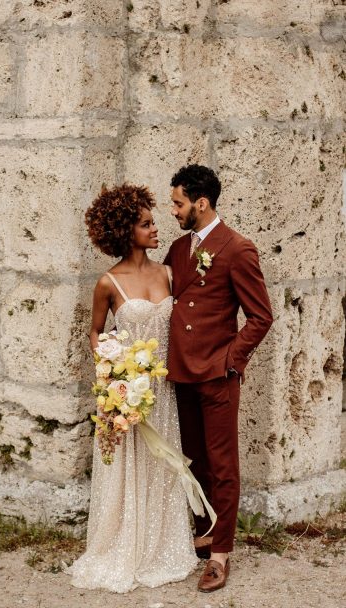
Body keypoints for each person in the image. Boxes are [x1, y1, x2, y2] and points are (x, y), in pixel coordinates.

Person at [67, 183, 198, 593]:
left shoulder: (169, 273)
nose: (154, 229)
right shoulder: (108, 283)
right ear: (126, 232)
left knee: (161, 466)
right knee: (128, 468)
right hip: (128, 395)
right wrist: (114, 375)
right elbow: (94, 333)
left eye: (153, 221)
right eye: (145, 225)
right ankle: (125, 545)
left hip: (163, 391)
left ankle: (161, 544)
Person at [164, 164, 273, 592]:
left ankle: (220, 555)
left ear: (201, 202)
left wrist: (232, 360)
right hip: (182, 374)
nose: (173, 210)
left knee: (224, 465)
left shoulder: (238, 248)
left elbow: (261, 317)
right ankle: (203, 533)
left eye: (178, 203)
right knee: (194, 461)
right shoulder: (176, 249)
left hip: (217, 375)